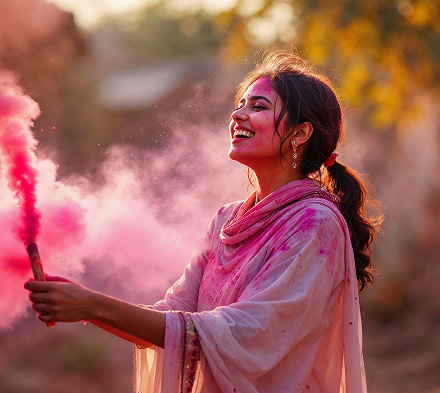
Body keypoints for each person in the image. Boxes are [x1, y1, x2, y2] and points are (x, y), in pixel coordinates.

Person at [25, 50, 380, 393]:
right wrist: (80, 303)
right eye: (239, 105)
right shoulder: (226, 220)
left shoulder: (314, 224)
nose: (238, 116)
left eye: (258, 106)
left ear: (301, 133)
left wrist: (90, 305)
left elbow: (245, 334)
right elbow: (170, 321)